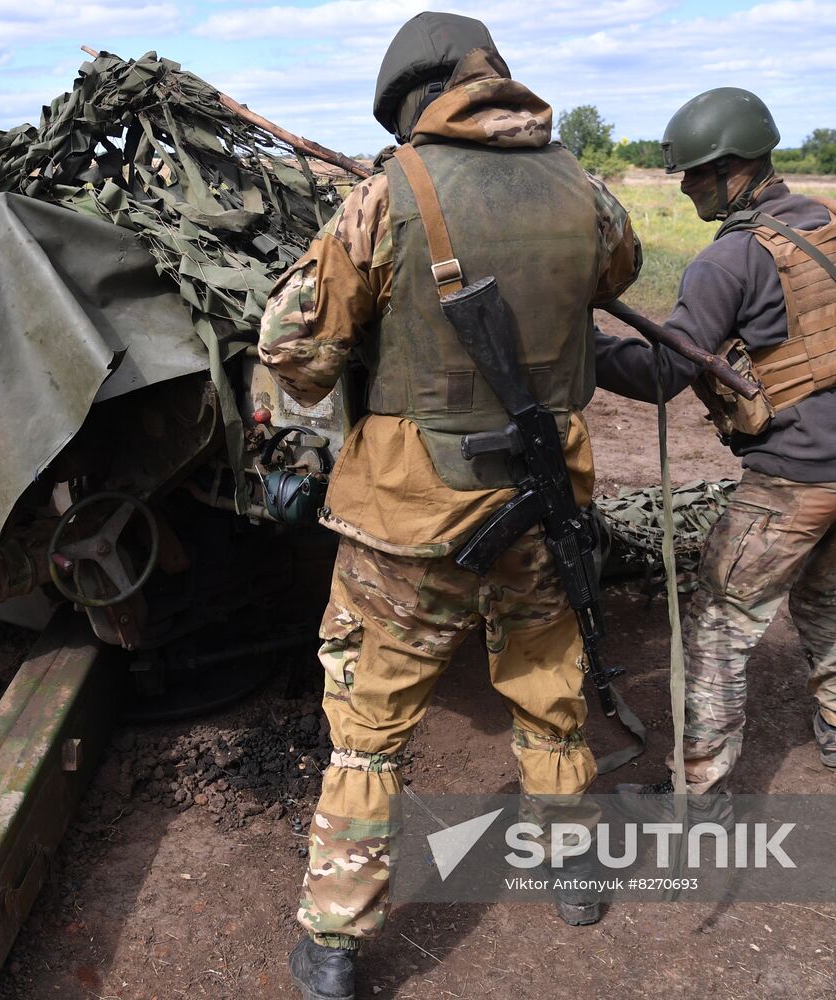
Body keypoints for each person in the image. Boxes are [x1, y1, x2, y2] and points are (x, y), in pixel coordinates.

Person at [257, 12, 641, 999]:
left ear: (407, 104)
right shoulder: (587, 191)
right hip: (544, 502)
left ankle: (337, 944)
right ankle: (577, 876)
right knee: (550, 695)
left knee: (370, 725)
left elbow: (292, 352)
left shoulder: (387, 196)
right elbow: (619, 274)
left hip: (410, 520)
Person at [596, 88, 836, 798]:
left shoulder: (727, 260)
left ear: (735, 169)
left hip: (795, 482)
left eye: (696, 173)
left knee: (718, 623)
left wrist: (586, 351)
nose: (688, 186)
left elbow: (666, 371)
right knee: (829, 589)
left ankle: (699, 791)